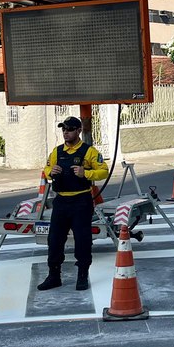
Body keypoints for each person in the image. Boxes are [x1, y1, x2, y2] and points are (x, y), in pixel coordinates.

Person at [37, 116, 109, 292]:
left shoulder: (89, 152)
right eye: (63, 129)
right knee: (54, 239)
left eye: (69, 129)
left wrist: (86, 173)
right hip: (61, 201)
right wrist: (50, 172)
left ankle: (82, 275)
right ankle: (54, 275)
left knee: (83, 240)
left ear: (78, 131)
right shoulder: (56, 151)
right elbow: (46, 169)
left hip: (81, 201)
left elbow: (103, 171)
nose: (65, 132)